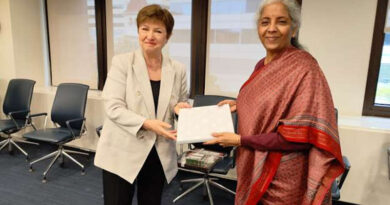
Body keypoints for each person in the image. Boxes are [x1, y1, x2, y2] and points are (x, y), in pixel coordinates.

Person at [204, 0, 345, 204]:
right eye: (265, 22)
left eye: (281, 22)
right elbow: (268, 104)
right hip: (254, 166)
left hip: (285, 176)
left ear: (294, 29)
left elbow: (300, 136)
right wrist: (239, 103)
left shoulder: (305, 68)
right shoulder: (262, 64)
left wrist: (241, 140)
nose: (271, 29)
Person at [94, 4, 191, 205]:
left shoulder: (178, 69)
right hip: (122, 150)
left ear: (167, 36)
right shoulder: (122, 63)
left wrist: (179, 108)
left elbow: (180, 101)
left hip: (158, 152)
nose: (150, 35)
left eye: (158, 31)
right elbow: (113, 107)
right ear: (138, 31)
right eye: (145, 29)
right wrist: (147, 123)